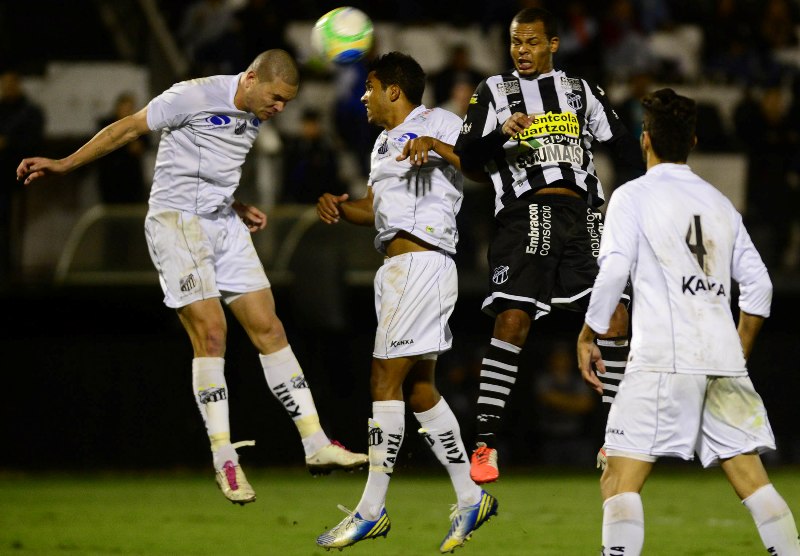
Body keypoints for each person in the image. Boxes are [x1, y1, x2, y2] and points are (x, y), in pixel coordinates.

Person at [16, 49, 367, 505]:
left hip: (224, 222)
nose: (279, 109)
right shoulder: (192, 95)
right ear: (251, 77)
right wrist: (64, 163)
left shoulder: (255, 114)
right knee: (213, 333)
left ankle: (316, 443)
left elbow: (209, 165)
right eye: (276, 98)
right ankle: (224, 457)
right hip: (176, 223)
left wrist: (235, 204)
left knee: (269, 327)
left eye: (286, 102)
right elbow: (125, 128)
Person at [576, 88, 800, 556]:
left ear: (645, 139)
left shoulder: (632, 196)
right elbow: (759, 289)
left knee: (619, 480)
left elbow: (615, 269)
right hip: (721, 359)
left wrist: (589, 331)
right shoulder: (721, 203)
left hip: (660, 359)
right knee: (752, 480)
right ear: (693, 141)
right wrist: (736, 351)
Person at [314, 51, 497, 553]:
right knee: (418, 390)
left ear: (394, 89)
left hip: (423, 262)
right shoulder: (379, 145)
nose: (363, 96)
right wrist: (340, 206)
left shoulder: (439, 120)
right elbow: (374, 210)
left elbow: (483, 169)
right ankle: (469, 496)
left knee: (383, 378)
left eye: (369, 86)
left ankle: (371, 510)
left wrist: (436, 144)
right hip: (397, 269)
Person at [453, 6, 643, 484]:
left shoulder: (580, 90)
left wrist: (636, 198)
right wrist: (500, 134)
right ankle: (485, 445)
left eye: (532, 42)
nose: (521, 51)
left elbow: (622, 144)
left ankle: (614, 438)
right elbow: (468, 157)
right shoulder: (493, 91)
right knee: (513, 319)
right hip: (525, 212)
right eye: (516, 42)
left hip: (583, 215)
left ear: (553, 44)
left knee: (615, 313)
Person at [0, 68, 44, 285]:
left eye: (11, 83)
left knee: (14, 223)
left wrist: (9, 144)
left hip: (16, 176)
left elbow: (34, 141)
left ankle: (11, 269)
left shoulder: (29, 112)